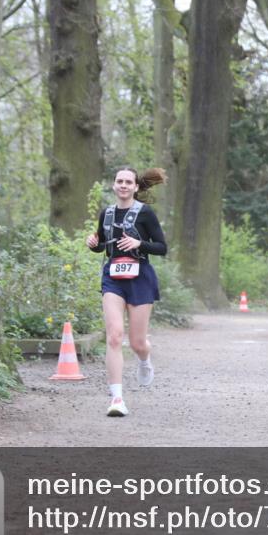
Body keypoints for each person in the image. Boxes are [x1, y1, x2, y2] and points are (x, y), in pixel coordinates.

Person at [86, 168, 168, 417]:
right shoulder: (107, 213)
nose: (123, 185)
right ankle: (117, 399)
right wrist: (93, 244)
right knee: (114, 336)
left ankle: (144, 359)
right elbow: (103, 244)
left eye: (128, 182)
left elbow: (162, 247)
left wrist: (139, 243)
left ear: (135, 187)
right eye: (119, 181)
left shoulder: (145, 213)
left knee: (137, 342)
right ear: (114, 186)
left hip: (140, 277)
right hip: (113, 277)